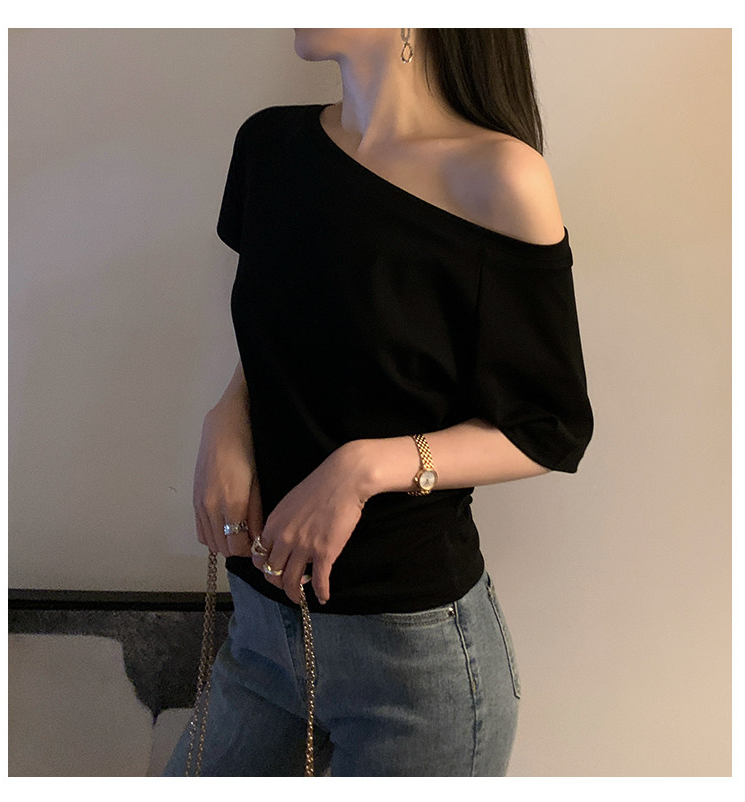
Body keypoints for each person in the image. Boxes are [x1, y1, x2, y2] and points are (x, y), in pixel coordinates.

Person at [163, 28, 593, 777]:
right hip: (262, 636)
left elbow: (549, 428)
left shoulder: (499, 176)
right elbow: (294, 332)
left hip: (412, 668)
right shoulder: (269, 145)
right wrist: (227, 415)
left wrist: (363, 469)